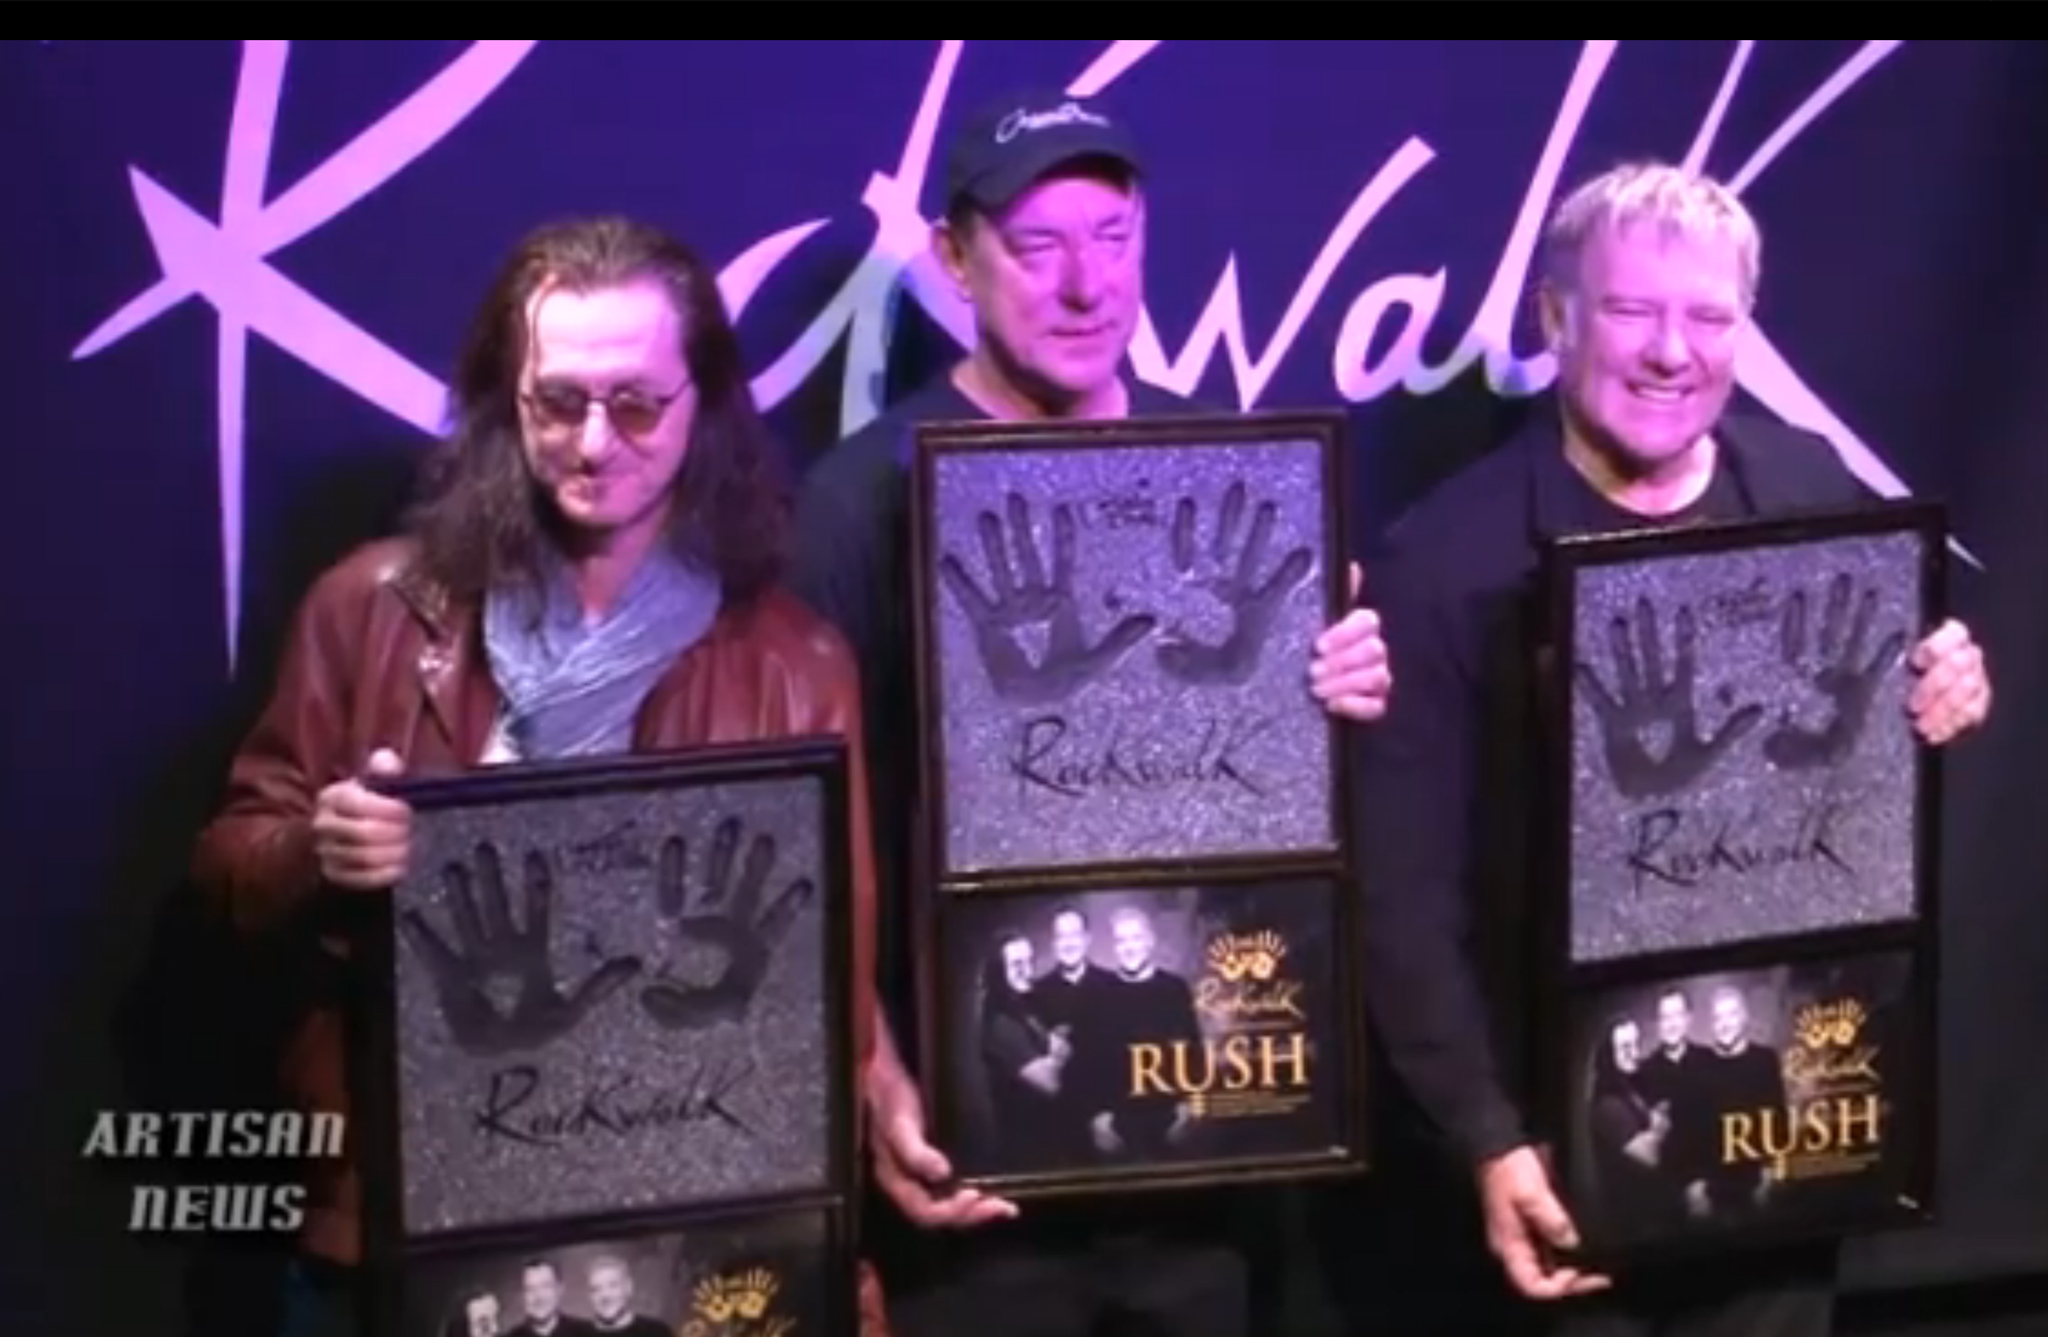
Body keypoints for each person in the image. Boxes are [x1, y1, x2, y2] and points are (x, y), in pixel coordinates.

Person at [189, 216, 890, 1337]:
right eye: (557, 402)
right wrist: (317, 852)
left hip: (678, 1222)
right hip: (405, 1219)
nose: (594, 442)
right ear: (504, 404)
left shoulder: (795, 664)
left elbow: (832, 994)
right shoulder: (370, 610)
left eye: (636, 403)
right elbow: (228, 869)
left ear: (701, 404)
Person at [788, 88, 1391, 1337]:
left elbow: (1301, 800)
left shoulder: (1237, 465)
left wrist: (1338, 695)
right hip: (980, 1153)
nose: (1084, 284)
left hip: (1210, 1139)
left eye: (1112, 240)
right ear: (956, 259)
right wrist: (868, 1065)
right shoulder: (856, 501)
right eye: (1038, 244)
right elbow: (809, 832)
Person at [1355, 160, 1994, 1336]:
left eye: (1707, 317)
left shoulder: (1810, 489)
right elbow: (1405, 899)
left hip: (1781, 1147)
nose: (1671, 351)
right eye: (1634, 311)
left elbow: (1875, 759)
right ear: (1556, 318)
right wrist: (1487, 1139)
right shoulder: (1443, 563)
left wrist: (1947, 681)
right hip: (1558, 1161)